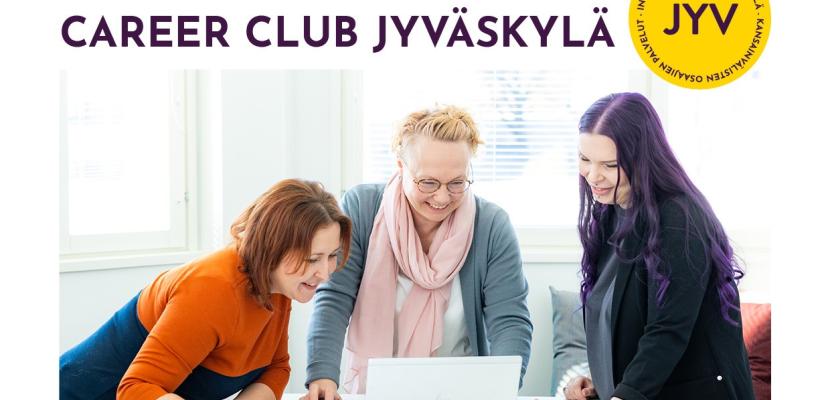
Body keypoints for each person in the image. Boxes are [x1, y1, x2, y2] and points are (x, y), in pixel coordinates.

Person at [302, 105, 533, 399]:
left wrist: (503, 389)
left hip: (464, 391)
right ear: (401, 167)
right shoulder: (362, 208)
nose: (441, 196)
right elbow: (335, 298)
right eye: (428, 182)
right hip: (374, 390)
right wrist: (322, 374)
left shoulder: (491, 226)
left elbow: (509, 320)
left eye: (456, 183)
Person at [60, 179, 352, 400]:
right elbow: (136, 390)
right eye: (313, 259)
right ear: (273, 248)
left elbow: (276, 367)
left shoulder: (279, 284)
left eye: (331, 256)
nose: (325, 273)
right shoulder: (211, 291)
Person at [563, 93, 754, 400]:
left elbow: (668, 331)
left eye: (609, 164)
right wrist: (604, 384)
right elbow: (625, 323)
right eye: (585, 159)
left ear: (642, 159)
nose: (593, 176)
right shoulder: (612, 210)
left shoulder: (680, 219)